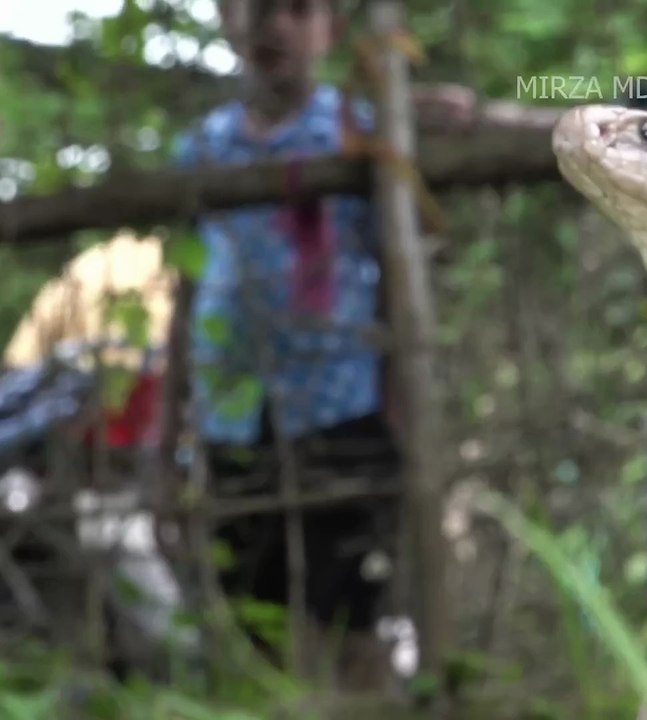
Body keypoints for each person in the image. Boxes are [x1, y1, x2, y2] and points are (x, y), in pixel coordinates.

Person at [171, 0, 470, 689]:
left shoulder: (362, 130)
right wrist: (171, 429)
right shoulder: (203, 150)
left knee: (354, 620)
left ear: (330, 30)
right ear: (226, 18)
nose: (273, 26)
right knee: (255, 626)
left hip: (341, 411)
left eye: (297, 10)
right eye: (256, 8)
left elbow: (399, 273)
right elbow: (184, 291)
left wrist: (401, 401)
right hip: (233, 420)